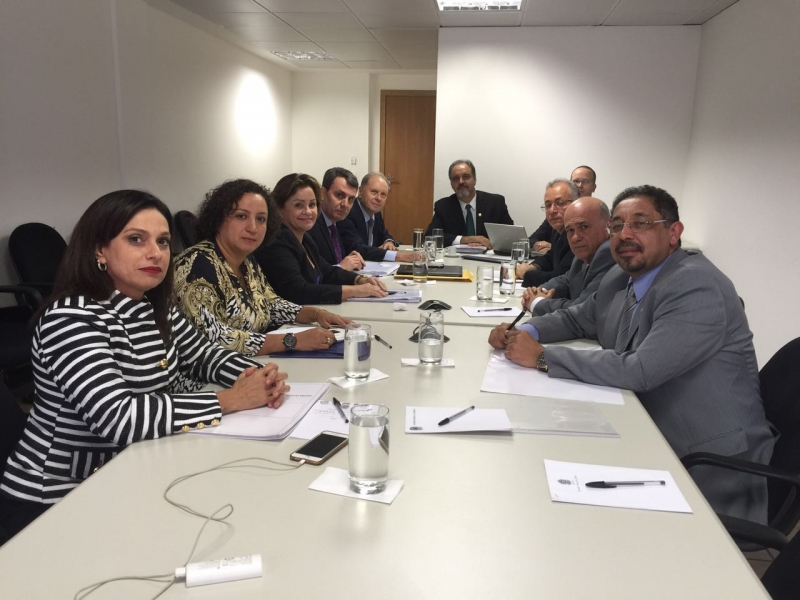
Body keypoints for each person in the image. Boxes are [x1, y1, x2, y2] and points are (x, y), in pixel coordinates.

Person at [0, 190, 288, 539]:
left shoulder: (153, 305)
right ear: (99, 249)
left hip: (129, 470)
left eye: (164, 241)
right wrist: (232, 400)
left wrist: (257, 378)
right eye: (136, 240)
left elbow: (203, 355)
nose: (156, 253)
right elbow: (119, 418)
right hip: (57, 497)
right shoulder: (71, 318)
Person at [489, 185, 774, 523]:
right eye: (618, 226)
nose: (625, 235)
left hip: (709, 464)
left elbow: (640, 369)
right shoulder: (621, 276)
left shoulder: (696, 285)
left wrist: (542, 357)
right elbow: (577, 318)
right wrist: (523, 333)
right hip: (647, 429)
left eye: (641, 223)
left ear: (673, 232)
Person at [174, 179, 351, 357]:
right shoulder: (194, 266)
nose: (253, 228)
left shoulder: (247, 261)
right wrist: (292, 340)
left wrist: (315, 314)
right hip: (209, 381)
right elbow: (215, 339)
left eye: (261, 219)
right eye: (241, 216)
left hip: (253, 365)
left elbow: (270, 303)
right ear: (219, 218)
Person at [254, 173, 388, 305]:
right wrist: (354, 290)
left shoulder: (305, 238)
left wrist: (359, 279)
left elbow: (326, 270)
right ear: (279, 208)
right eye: (298, 205)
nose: (308, 211)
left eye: (312, 205)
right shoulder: (277, 241)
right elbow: (299, 291)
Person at [521, 197, 615, 316]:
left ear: (607, 225)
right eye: (570, 230)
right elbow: (566, 280)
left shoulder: (609, 253)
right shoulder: (584, 253)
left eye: (584, 227)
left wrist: (537, 302)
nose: (575, 237)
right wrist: (538, 291)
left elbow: (581, 310)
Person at [424, 159, 513, 248]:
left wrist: (491, 243)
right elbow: (430, 237)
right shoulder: (444, 206)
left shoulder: (495, 203)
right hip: (457, 260)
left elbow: (511, 236)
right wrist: (467, 239)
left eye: (466, 177)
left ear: (475, 180)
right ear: (451, 184)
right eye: (456, 178)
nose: (461, 182)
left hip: (489, 259)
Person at [338, 172, 414, 262]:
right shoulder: (348, 211)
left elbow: (383, 234)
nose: (378, 198)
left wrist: (388, 241)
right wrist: (397, 256)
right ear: (361, 191)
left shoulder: (376, 213)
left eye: (383, 194)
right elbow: (357, 248)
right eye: (374, 192)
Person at [517, 179, 578, 287]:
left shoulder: (578, 236)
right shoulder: (558, 229)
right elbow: (549, 258)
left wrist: (526, 274)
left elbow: (558, 278)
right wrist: (533, 267)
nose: (552, 210)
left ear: (576, 203)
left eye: (560, 203)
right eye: (548, 205)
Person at [307, 167, 365, 271]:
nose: (345, 204)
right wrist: (341, 267)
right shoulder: (310, 224)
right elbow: (311, 274)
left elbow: (332, 261)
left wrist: (349, 259)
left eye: (351, 199)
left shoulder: (334, 224)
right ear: (323, 193)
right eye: (339, 195)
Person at [530, 165, 598, 253]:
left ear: (594, 187)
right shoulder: (555, 215)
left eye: (585, 182)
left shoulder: (594, 217)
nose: (579, 186)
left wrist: (554, 249)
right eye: (576, 181)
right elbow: (531, 240)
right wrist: (540, 246)